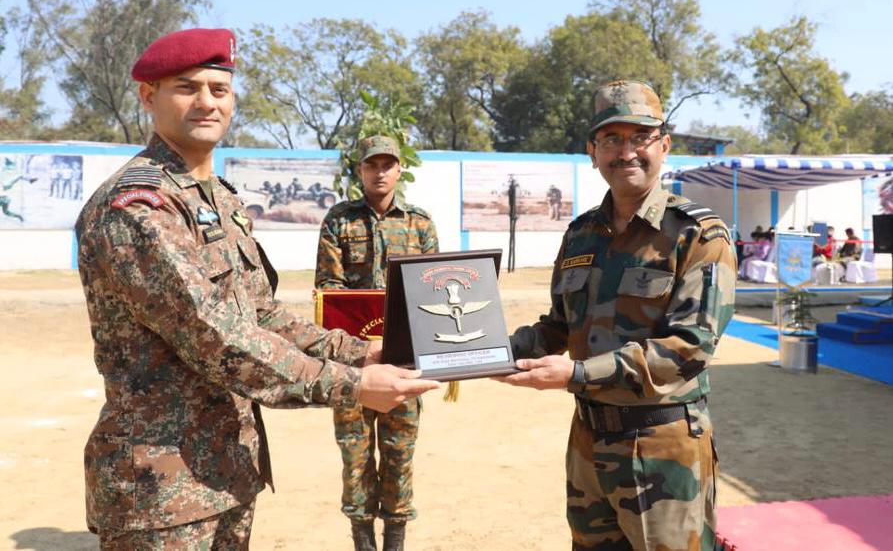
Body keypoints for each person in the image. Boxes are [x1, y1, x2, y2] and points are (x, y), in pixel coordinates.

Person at [75, 28, 438, 550]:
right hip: (160, 489)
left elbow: (263, 316)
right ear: (148, 96)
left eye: (219, 90)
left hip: (225, 469)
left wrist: (366, 351)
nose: (206, 102)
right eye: (187, 87)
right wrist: (352, 386)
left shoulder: (216, 199)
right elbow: (217, 338)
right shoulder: (138, 208)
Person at [498, 80, 737, 550]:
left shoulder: (698, 235)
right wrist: (475, 352)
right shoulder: (581, 234)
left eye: (639, 137)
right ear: (592, 151)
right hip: (588, 443)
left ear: (664, 146)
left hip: (663, 448)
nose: (625, 152)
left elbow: (688, 347)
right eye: (611, 139)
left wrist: (577, 373)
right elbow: (557, 327)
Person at [316, 135, 438, 551]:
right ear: (360, 170)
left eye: (388, 164)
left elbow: (432, 289)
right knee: (355, 455)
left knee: (400, 451)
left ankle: (396, 542)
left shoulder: (420, 223)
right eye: (372, 164)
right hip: (353, 363)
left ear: (400, 169)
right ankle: (363, 541)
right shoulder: (339, 220)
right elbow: (328, 290)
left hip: (404, 361)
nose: (380, 171)